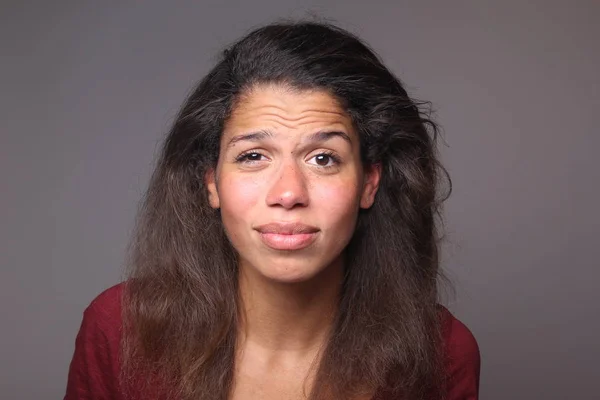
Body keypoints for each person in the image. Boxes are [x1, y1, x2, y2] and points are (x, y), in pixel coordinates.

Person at [64, 21, 480, 400]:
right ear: (211, 182)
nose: (287, 193)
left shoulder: (443, 355)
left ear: (369, 184)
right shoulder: (119, 330)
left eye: (323, 158)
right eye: (253, 156)